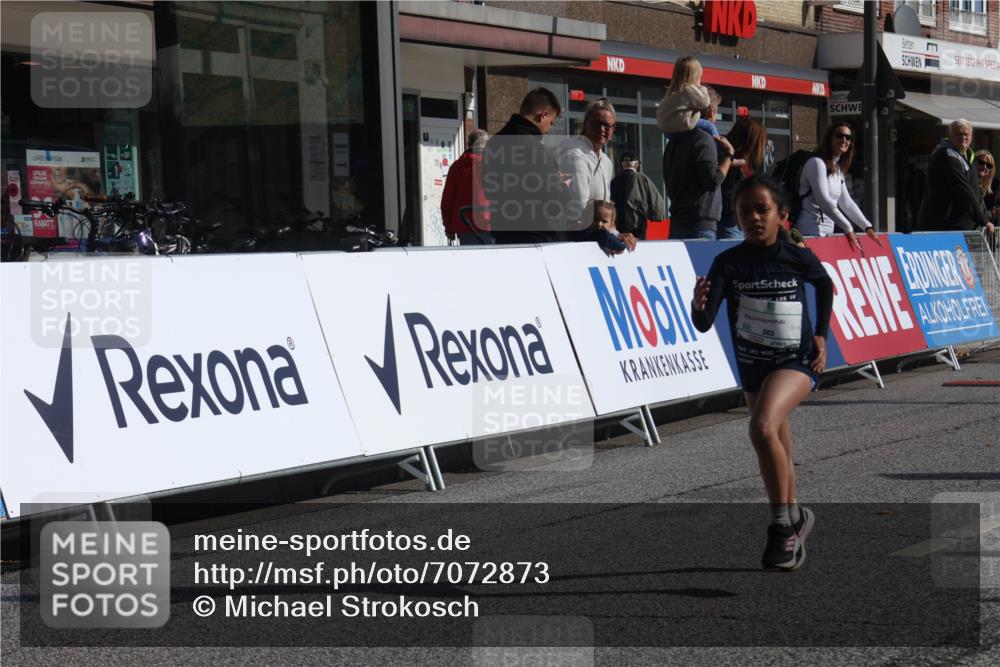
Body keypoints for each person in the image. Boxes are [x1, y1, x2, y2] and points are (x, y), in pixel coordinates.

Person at [691, 174, 833, 570]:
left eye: (762, 210)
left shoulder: (796, 256)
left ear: (781, 216)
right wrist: (696, 305)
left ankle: (781, 527)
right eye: (744, 211)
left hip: (796, 361)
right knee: (777, 440)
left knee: (762, 427)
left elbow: (825, 285)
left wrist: (820, 335)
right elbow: (704, 322)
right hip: (753, 364)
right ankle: (798, 516)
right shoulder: (728, 263)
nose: (753, 217)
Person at [482, 87, 569, 245]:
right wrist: (563, 186)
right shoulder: (535, 149)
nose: (549, 129)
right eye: (551, 122)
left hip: (504, 235)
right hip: (538, 239)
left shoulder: (493, 144)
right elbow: (552, 201)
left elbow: (489, 189)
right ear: (542, 115)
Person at [794, 122, 882, 249]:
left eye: (848, 137)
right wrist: (848, 228)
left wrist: (867, 227)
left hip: (827, 235)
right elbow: (824, 202)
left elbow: (847, 203)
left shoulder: (838, 169)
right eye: (839, 136)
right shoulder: (816, 163)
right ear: (830, 139)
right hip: (808, 234)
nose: (844, 140)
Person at [663, 87, 735, 240]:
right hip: (700, 225)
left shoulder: (674, 141)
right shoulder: (703, 138)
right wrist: (728, 155)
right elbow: (713, 180)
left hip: (678, 220)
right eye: (716, 111)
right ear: (710, 110)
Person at [916, 119, 992, 233]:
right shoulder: (946, 155)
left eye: (966, 134)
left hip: (963, 227)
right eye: (959, 134)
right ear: (950, 136)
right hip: (944, 227)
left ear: (971, 136)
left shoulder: (968, 156)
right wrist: (984, 220)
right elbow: (963, 190)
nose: (963, 137)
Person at [440, 129, 493, 245]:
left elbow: (447, 201)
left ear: (468, 145)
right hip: (490, 224)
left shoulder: (457, 167)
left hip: (464, 225)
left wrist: (448, 227)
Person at [718, 117, 767, 240]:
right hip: (731, 225)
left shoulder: (731, 160)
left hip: (733, 224)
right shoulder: (734, 164)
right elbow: (727, 196)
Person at [609, 150, 666, 239]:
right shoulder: (642, 178)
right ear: (636, 164)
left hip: (619, 224)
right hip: (638, 225)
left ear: (622, 164)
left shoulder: (613, 181)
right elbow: (656, 203)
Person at [656, 56, 717, 138]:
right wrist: (702, 88)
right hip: (681, 126)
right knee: (710, 126)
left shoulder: (672, 90)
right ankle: (719, 148)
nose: (700, 81)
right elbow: (705, 102)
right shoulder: (688, 90)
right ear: (694, 77)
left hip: (667, 130)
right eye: (699, 77)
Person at [973, 149, 999, 231]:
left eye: (989, 165)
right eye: (981, 163)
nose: (985, 167)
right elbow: (972, 211)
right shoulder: (969, 184)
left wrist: (993, 215)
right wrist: (991, 214)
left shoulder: (982, 188)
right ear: (973, 162)